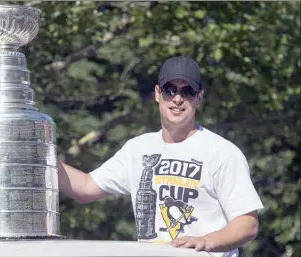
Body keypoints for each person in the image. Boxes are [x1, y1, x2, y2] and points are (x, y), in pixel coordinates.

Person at [57, 56, 264, 257]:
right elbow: (84, 187)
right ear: (157, 93)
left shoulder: (223, 153)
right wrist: (38, 158)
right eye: (170, 89)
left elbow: (247, 224)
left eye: (187, 91)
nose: (177, 98)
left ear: (199, 98)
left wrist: (205, 241)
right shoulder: (138, 149)